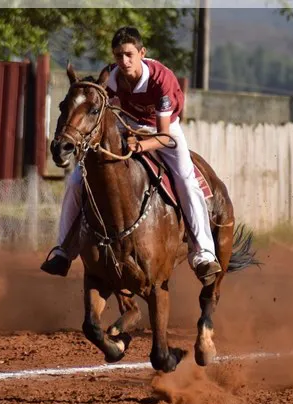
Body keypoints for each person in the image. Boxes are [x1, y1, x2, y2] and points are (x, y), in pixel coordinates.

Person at [41, 26, 222, 285]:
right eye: (118, 56)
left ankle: (203, 253)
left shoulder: (161, 79)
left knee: (185, 180)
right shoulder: (112, 78)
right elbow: (97, 107)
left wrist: (140, 146)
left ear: (141, 53)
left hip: (164, 131)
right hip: (126, 125)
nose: (123, 61)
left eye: (128, 54)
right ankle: (62, 251)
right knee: (76, 182)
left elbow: (163, 135)